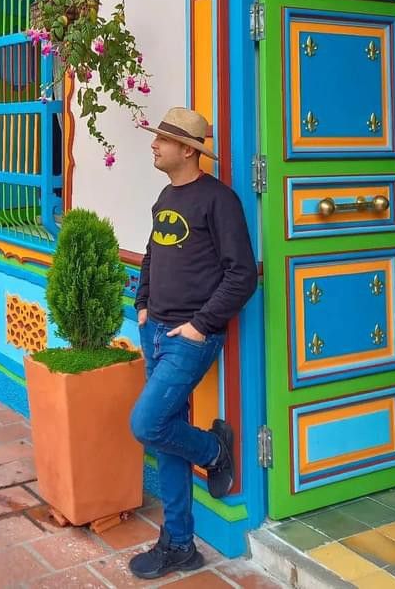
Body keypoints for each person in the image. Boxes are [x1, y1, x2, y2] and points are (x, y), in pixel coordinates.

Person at [128, 107, 257, 580]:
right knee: (165, 439)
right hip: (155, 330)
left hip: (189, 337)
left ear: (188, 150)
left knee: (146, 423)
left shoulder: (218, 200)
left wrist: (202, 325)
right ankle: (180, 544)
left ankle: (212, 451)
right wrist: (141, 306)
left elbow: (242, 274)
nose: (154, 145)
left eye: (163, 139)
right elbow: (151, 253)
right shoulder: (166, 195)